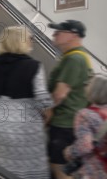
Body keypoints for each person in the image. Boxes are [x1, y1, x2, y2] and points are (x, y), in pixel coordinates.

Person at [0, 26, 53, 179]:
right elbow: (42, 96)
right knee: (27, 164)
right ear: (21, 41)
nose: (32, 42)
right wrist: (49, 110)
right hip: (26, 121)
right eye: (30, 39)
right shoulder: (34, 65)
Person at [46, 19, 93, 179]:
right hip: (70, 122)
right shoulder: (77, 57)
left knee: (60, 169)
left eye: (59, 32)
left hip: (65, 123)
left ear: (73, 35)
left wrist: (47, 111)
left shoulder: (74, 59)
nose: (54, 34)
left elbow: (60, 94)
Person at [64, 74, 107, 178]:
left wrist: (70, 152)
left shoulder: (85, 115)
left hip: (93, 171)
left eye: (89, 84)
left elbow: (85, 146)